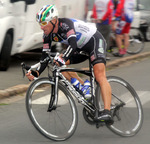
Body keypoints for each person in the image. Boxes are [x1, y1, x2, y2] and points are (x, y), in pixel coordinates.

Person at [26, 5, 113, 123]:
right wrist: (36, 73)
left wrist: (64, 57)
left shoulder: (65, 24)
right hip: (80, 47)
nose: (42, 27)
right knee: (57, 63)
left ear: (53, 20)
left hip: (94, 41)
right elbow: (45, 57)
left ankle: (107, 112)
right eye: (40, 24)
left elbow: (73, 44)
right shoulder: (47, 35)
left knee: (99, 75)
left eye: (44, 23)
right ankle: (84, 87)